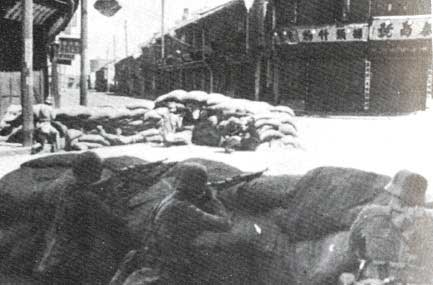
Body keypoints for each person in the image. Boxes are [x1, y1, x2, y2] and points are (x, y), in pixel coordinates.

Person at [110, 162, 232, 285]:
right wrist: (214, 200)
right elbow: (225, 224)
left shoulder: (166, 201)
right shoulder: (183, 207)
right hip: (163, 272)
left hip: (149, 262)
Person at [343, 170, 428, 284]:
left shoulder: (427, 224)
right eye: (398, 200)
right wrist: (349, 275)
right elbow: (352, 251)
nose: (399, 206)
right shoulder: (371, 215)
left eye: (408, 204)